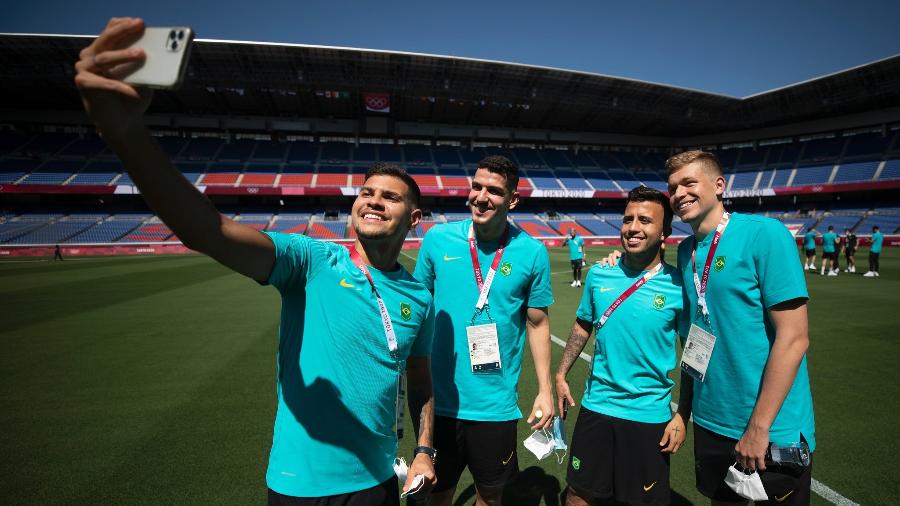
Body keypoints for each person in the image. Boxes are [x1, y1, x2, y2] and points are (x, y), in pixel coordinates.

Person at [75, 18, 437, 504]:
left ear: (413, 217)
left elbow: (420, 378)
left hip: (377, 483)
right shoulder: (311, 260)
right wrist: (127, 136)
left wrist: (425, 448)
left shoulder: (418, 294)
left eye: (388, 197)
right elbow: (209, 231)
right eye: (366, 192)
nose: (371, 200)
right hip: (299, 485)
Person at [667, 150, 815, 504]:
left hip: (771, 428)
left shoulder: (765, 234)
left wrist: (758, 427)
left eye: (689, 182)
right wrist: (685, 412)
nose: (679, 194)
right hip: (711, 420)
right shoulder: (686, 249)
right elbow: (693, 340)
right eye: (672, 188)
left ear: (719, 185)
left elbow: (794, 338)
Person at [413, 155, 554, 506]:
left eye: (493, 190)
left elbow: (537, 322)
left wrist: (545, 389)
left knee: (490, 497)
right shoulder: (438, 239)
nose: (481, 196)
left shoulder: (533, 252)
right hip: (439, 401)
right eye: (477, 186)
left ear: (513, 199)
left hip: (495, 406)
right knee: (437, 491)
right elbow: (417, 310)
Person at [555, 186, 688, 506]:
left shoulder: (680, 286)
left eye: (645, 220)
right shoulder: (600, 274)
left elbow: (694, 355)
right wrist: (560, 375)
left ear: (665, 232)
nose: (633, 227)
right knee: (577, 494)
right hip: (596, 407)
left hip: (648, 415)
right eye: (628, 219)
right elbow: (583, 324)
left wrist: (683, 413)